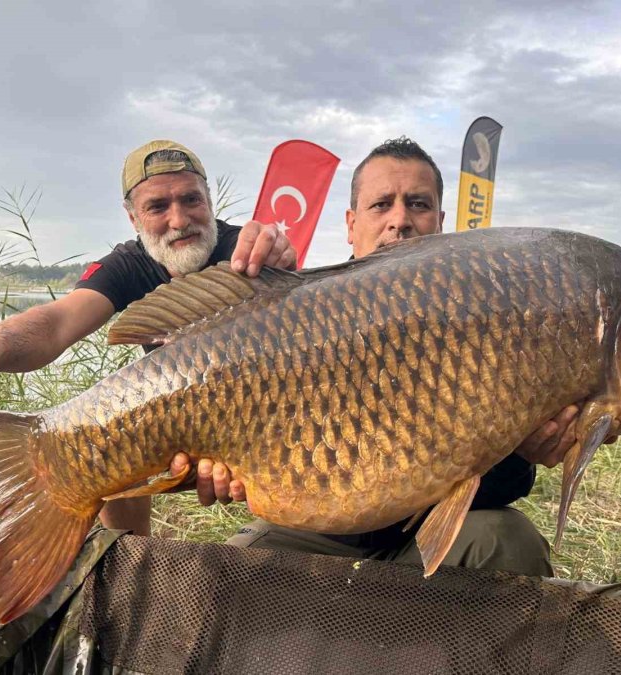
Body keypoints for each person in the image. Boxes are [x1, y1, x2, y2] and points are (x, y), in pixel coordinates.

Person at [222, 137, 578, 577]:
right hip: (319, 535)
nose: (400, 221)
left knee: (508, 540)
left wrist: (522, 451)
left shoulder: (485, 317)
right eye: (381, 205)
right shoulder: (302, 315)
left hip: (431, 535)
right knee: (226, 573)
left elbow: (506, 486)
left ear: (441, 223)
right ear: (351, 224)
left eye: (418, 204)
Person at [0, 139, 297, 535]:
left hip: (267, 409)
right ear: (133, 218)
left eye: (191, 200)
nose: (179, 220)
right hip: (182, 414)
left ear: (209, 202)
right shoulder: (130, 264)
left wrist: (280, 265)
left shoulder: (246, 252)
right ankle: (129, 551)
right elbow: (58, 322)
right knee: (110, 435)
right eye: (157, 207)